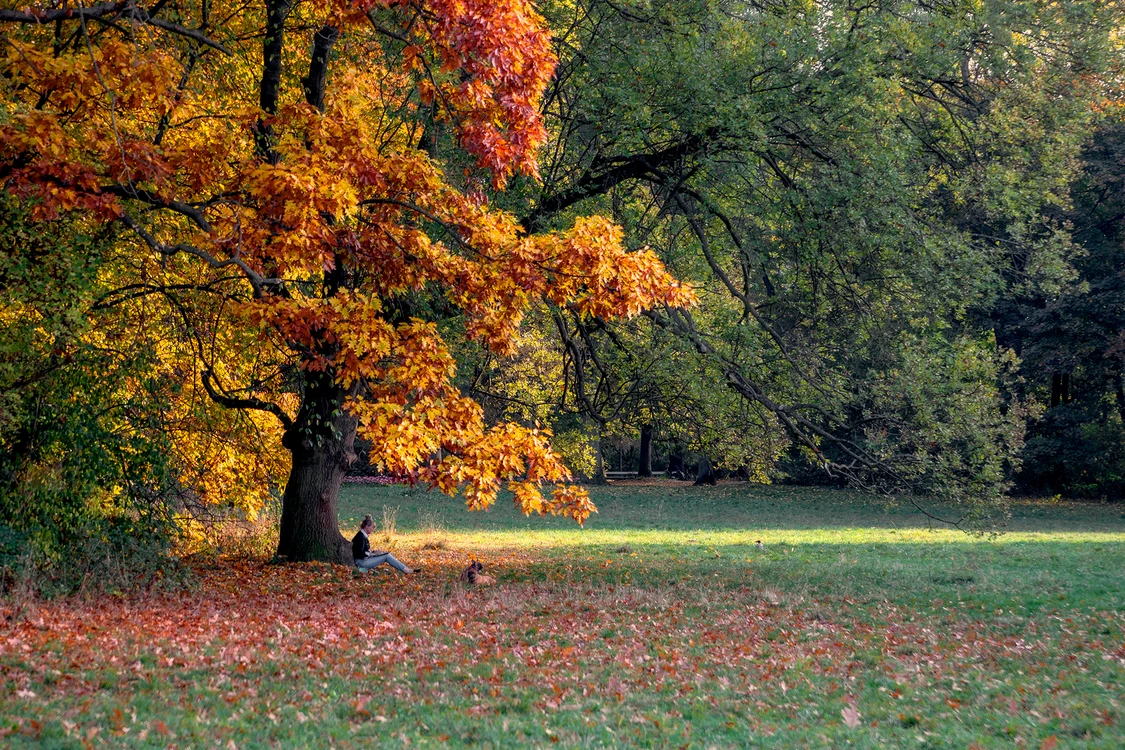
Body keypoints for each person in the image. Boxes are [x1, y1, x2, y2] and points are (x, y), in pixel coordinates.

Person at [352, 515, 420, 574]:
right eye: (372, 527)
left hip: (363, 560)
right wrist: (372, 554)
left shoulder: (363, 535)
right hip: (361, 562)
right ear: (366, 526)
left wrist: (372, 552)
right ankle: (405, 570)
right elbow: (359, 553)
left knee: (386, 554)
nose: (373, 529)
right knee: (386, 556)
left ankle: (405, 569)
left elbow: (363, 550)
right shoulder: (360, 537)